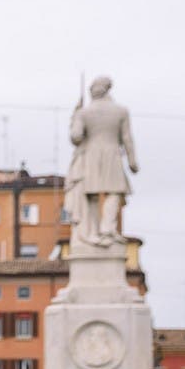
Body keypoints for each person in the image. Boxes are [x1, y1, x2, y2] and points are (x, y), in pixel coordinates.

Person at [66, 76, 138, 247]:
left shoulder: (84, 112)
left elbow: (76, 137)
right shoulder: (121, 111)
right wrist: (132, 161)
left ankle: (92, 232)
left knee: (91, 195)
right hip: (112, 153)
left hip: (91, 156)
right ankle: (108, 230)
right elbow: (127, 137)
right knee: (114, 191)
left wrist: (75, 117)